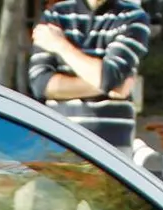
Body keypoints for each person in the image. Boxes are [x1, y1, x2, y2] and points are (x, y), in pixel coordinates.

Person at [28, 0, 152, 149]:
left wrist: (60, 45)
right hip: (58, 142)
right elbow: (41, 84)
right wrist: (109, 84)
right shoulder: (55, 15)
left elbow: (108, 76)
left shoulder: (133, 16)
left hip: (111, 148)